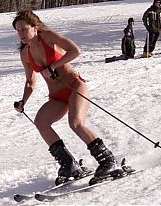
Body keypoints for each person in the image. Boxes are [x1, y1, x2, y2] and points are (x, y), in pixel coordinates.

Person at [12, 10, 125, 186]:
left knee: (76, 123)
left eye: (24, 29)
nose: (21, 34)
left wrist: (54, 66)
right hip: (56, 96)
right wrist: (23, 101)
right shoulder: (25, 53)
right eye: (18, 31)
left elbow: (75, 50)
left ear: (34, 28)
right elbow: (30, 82)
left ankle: (108, 162)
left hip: (74, 86)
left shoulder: (48, 36)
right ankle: (69, 165)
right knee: (41, 122)